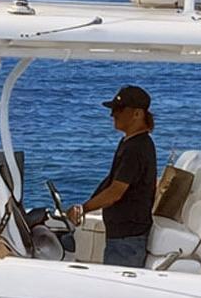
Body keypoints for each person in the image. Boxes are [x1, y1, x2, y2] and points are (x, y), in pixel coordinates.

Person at [67, 85, 157, 267]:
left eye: (119, 110)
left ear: (137, 114)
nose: (112, 115)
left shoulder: (136, 148)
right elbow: (112, 180)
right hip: (122, 234)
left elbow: (116, 191)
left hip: (127, 238)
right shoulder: (129, 143)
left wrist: (84, 209)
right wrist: (87, 205)